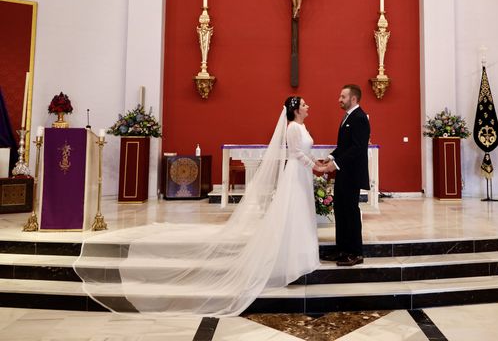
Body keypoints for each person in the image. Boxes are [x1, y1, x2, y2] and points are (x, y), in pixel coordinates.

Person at [74, 96, 322, 316]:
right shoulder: (291, 128)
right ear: (296, 109)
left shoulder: (302, 125)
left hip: (302, 174)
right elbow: (297, 153)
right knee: (293, 214)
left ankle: (300, 253)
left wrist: (315, 163)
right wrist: (316, 166)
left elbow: (304, 151)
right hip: (296, 174)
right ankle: (290, 257)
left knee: (300, 214)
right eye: (304, 104)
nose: (308, 106)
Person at [318, 84, 370, 267]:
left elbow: (357, 148)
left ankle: (355, 252)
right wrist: (331, 157)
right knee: (340, 210)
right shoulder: (349, 116)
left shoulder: (360, 118)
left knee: (350, 212)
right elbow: (345, 145)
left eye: (343, 97)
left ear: (353, 99)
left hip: (352, 174)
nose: (339, 99)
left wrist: (336, 164)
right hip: (344, 173)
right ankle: (342, 249)